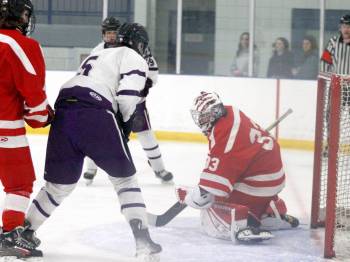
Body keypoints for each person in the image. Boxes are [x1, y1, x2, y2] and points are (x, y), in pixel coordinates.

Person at [23, 23, 162, 260]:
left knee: (58, 186)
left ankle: (24, 234)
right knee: (124, 179)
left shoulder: (98, 53)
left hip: (64, 109)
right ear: (139, 43)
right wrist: (124, 126)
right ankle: (143, 242)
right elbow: (128, 97)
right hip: (95, 111)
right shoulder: (133, 56)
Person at [176, 91, 299, 244]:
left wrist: (191, 197)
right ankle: (270, 213)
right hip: (270, 177)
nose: (201, 121)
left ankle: (240, 225)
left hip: (259, 182)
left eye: (204, 116)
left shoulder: (225, 133)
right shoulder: (230, 112)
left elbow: (210, 192)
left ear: (215, 113)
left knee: (212, 204)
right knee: (227, 187)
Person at [83, 20, 173, 185]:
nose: (111, 36)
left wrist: (142, 89)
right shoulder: (100, 50)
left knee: (146, 135)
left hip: (134, 101)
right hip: (111, 101)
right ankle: (91, 168)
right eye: (108, 32)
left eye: (113, 32)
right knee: (99, 133)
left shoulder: (140, 49)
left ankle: (159, 168)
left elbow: (152, 73)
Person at [0, 0, 54, 259]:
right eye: (23, 12)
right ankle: (11, 235)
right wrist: (43, 116)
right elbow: (33, 96)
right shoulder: (23, 45)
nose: (25, 17)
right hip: (5, 128)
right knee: (19, 183)